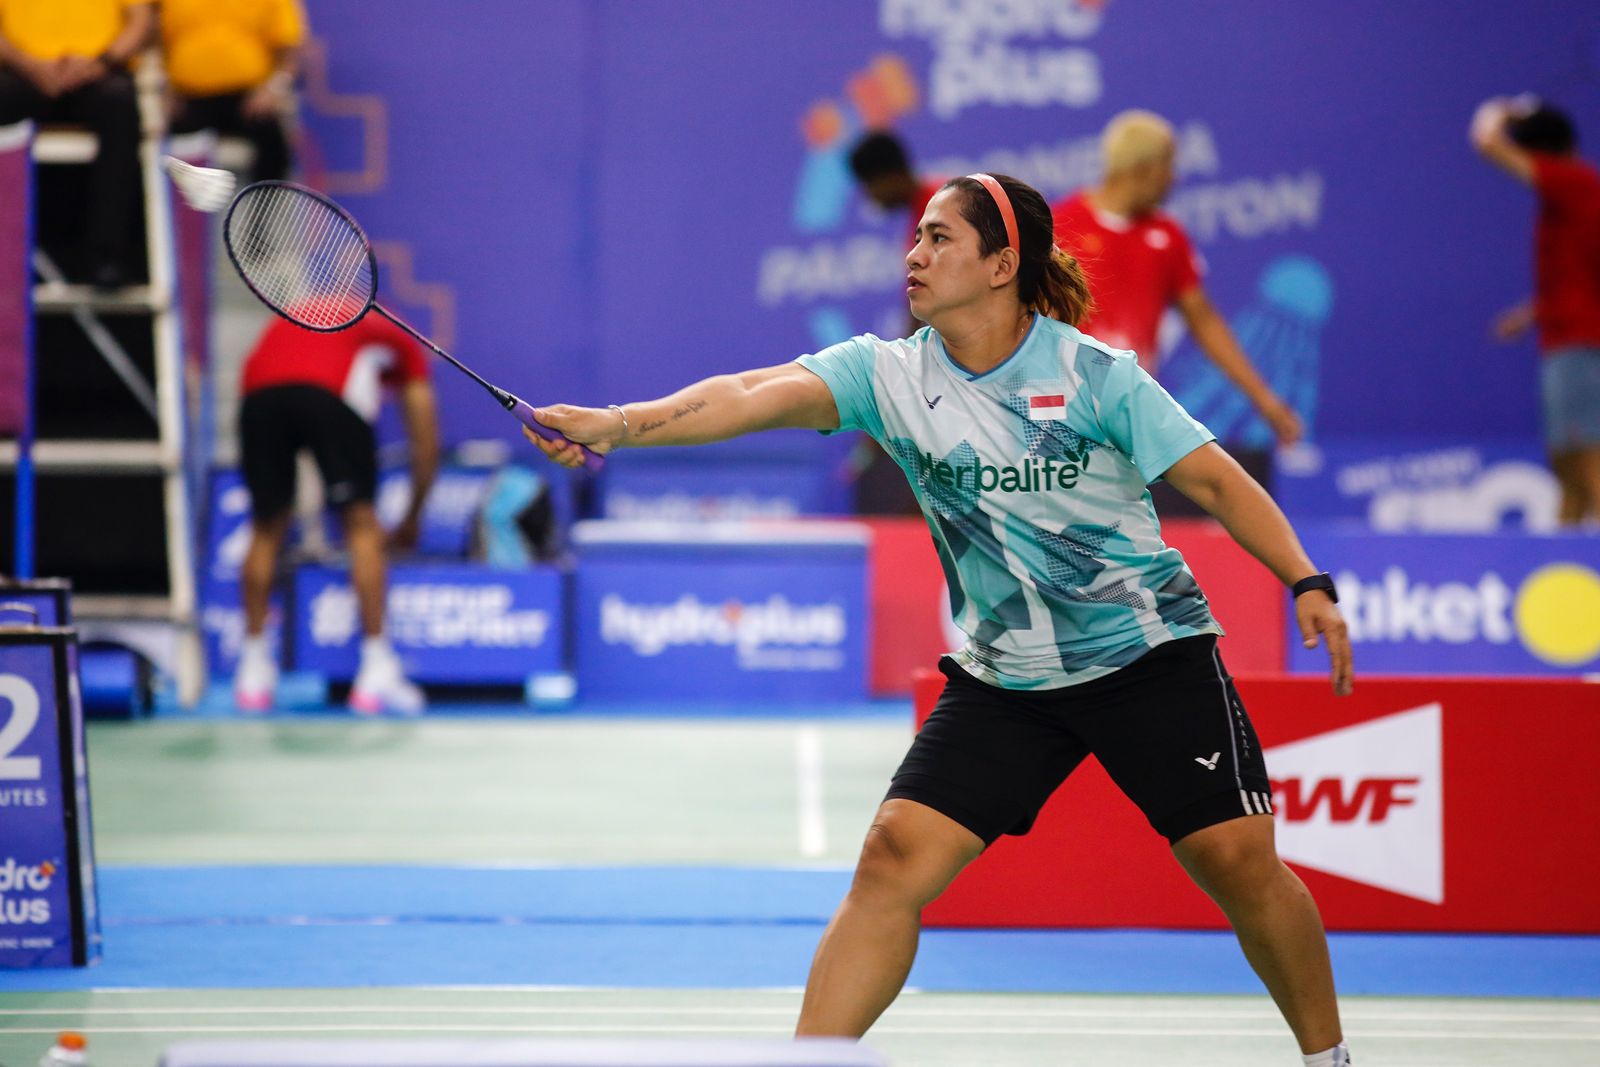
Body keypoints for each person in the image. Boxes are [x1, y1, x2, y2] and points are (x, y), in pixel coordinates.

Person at [526, 172, 1355, 1066]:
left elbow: (1217, 480)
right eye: (916, 236)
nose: (913, 254)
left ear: (1002, 265)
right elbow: (749, 393)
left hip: (1145, 655)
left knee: (1236, 860)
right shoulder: (886, 374)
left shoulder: (1094, 374)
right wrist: (619, 423)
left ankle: (1328, 1058)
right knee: (892, 858)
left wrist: (1305, 578)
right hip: (1010, 674)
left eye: (939, 238)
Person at [1052, 110, 1303, 446]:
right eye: (1167, 166)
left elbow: (1204, 321)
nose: (1174, 178)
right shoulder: (1060, 225)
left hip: (1129, 411)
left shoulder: (1168, 237)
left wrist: (1265, 400)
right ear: (1141, 168)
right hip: (1064, 409)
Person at [232, 312, 439, 715]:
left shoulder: (304, 319)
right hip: (327, 394)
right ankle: (376, 670)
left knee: (265, 528)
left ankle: (252, 673)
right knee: (361, 525)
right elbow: (426, 444)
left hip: (257, 394)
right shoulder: (403, 341)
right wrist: (413, 517)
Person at [1471, 96, 1600, 527]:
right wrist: (1531, 314)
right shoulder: (1579, 193)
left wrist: (1502, 110)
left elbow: (1486, 142)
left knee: (1586, 457)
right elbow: (1580, 275)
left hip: (1578, 345)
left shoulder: (1569, 180)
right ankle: (1564, 551)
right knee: (1567, 467)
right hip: (1571, 340)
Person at [0, 0, 153, 288]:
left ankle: (106, 258)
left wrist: (101, 62)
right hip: (21, 73)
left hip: (100, 73)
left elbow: (140, 21)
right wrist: (30, 65)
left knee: (120, 104)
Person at [161, 0, 305, 183]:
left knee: (273, 148)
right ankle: (184, 202)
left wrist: (273, 89)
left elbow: (290, 48)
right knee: (174, 155)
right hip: (188, 98)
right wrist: (166, 92)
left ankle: (266, 200)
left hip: (251, 99)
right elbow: (155, 41)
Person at [848, 131, 944, 251]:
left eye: (870, 185)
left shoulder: (943, 206)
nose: (871, 195)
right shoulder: (925, 213)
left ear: (891, 176)